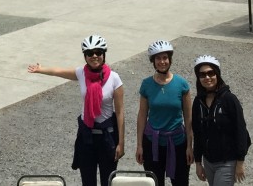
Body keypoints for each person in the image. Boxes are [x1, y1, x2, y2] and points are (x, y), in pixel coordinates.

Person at [28, 34, 125, 186]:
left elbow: (119, 113)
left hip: (107, 136)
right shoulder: (81, 73)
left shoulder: (114, 78)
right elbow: (59, 71)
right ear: (85, 56)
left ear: (104, 54)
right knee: (87, 180)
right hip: (86, 135)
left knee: (108, 181)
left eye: (98, 52)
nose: (94, 56)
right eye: (90, 53)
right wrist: (41, 69)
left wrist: (121, 143)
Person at [136, 39, 192, 186]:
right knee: (154, 183)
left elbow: (188, 117)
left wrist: (189, 146)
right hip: (152, 143)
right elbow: (142, 115)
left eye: (165, 58)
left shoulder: (181, 84)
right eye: (158, 58)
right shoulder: (146, 84)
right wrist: (139, 145)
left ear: (170, 59)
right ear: (153, 61)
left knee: (180, 182)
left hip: (178, 142)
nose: (162, 62)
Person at [190, 54, 251, 184]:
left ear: (217, 74)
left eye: (211, 73)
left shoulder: (229, 100)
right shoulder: (198, 102)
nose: (207, 77)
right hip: (208, 161)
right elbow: (198, 133)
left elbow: (241, 131)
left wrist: (240, 162)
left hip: (227, 162)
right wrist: (198, 162)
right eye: (202, 75)